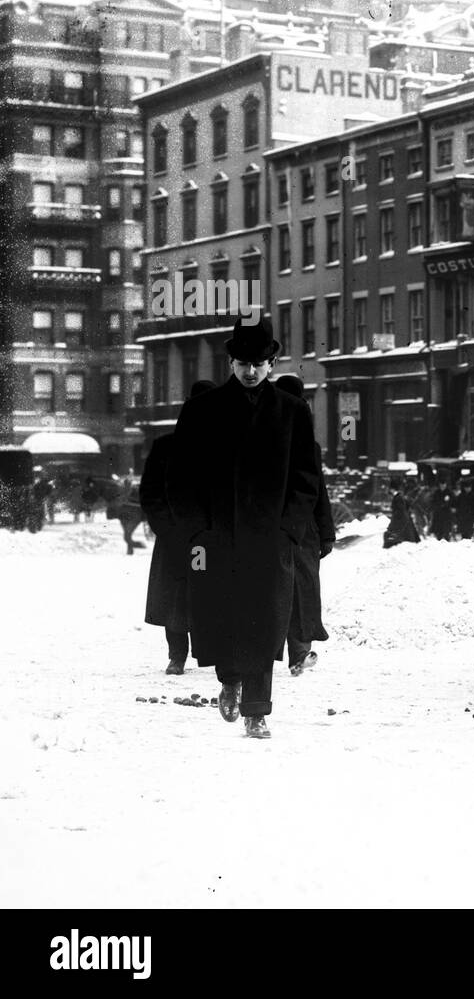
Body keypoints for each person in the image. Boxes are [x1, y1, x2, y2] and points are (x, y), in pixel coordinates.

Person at [165, 316, 319, 739]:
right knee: (222, 617)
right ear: (229, 361)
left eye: (259, 363)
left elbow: (307, 478)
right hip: (216, 539)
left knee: (267, 621)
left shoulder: (292, 412)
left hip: (272, 539)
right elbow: (179, 478)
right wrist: (197, 532)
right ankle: (230, 679)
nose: (250, 372)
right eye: (242, 363)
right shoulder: (202, 411)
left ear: (272, 363)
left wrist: (290, 529)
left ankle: (257, 709)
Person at [141, 379, 217, 675]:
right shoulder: (165, 447)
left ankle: (209, 652)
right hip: (175, 537)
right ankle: (177, 655)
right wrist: (168, 528)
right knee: (175, 597)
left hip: (210, 539)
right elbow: (150, 494)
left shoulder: (226, 449)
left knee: (208, 594)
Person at [274, 374, 335, 676]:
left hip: (304, 531)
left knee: (303, 590)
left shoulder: (310, 446)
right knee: (280, 590)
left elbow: (318, 490)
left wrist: (326, 533)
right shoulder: (263, 438)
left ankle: (299, 652)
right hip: (274, 528)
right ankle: (264, 654)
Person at [383, 474, 422, 548]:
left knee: (399, 542)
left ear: (392, 489)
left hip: (401, 522)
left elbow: (400, 512)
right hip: (404, 522)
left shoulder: (398, 498)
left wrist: (394, 525)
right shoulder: (400, 497)